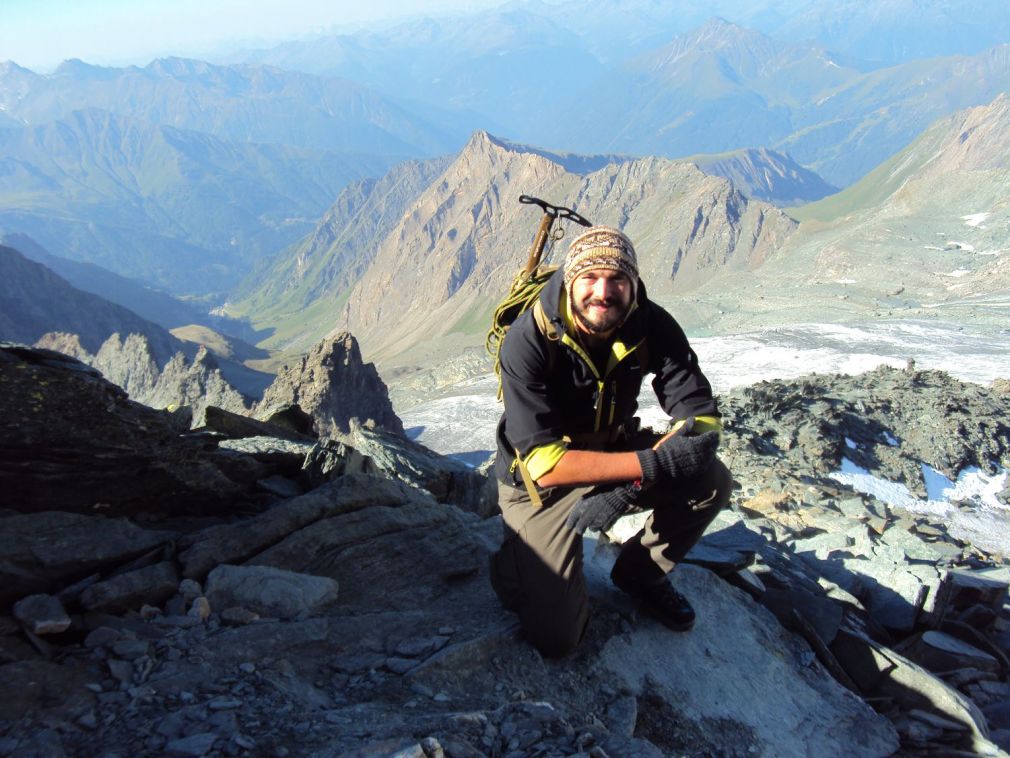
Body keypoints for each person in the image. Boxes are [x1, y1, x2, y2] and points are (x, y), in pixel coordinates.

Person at [490, 226, 733, 657]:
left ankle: (641, 574)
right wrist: (648, 468)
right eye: (590, 277)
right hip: (538, 487)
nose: (604, 291)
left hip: (614, 450)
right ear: (570, 280)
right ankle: (518, 564)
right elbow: (544, 463)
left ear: (634, 284)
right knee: (558, 638)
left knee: (710, 480)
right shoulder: (527, 340)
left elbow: (703, 419)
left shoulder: (650, 322)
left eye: (618, 279)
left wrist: (632, 482)